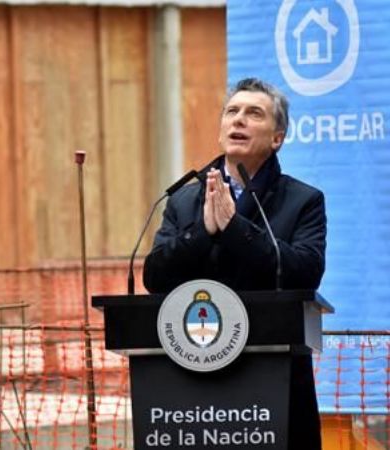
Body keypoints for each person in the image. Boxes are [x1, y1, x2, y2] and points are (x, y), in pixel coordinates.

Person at [143, 77, 326, 448]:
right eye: (232, 112)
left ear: (277, 138)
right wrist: (202, 232)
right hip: (195, 377)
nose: (238, 120)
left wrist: (235, 228)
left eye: (253, 113)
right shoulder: (184, 200)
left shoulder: (303, 200)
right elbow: (155, 275)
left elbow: (305, 271)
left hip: (273, 381)